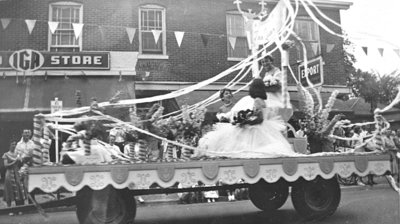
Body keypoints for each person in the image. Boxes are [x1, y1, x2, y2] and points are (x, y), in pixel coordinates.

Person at [198, 78, 296, 158]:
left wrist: (245, 121)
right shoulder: (261, 100)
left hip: (258, 129)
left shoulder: (257, 100)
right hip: (263, 128)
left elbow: (260, 118)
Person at [2, 141, 25, 214]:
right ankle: (10, 210)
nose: (14, 146)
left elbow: (21, 163)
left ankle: (19, 209)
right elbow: (6, 165)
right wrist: (14, 162)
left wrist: (21, 160)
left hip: (17, 172)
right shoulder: (6, 154)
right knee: (9, 189)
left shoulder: (18, 154)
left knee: (18, 188)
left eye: (15, 144)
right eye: (12, 144)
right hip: (9, 173)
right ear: (9, 145)